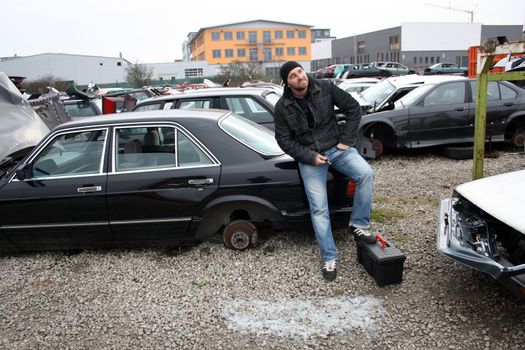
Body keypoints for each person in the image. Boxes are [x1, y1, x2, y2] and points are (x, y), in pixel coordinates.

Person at [274, 61, 376, 281]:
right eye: (293, 75)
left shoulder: (326, 88)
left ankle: (359, 224)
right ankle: (329, 257)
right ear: (287, 82)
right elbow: (283, 140)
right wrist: (310, 156)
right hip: (310, 159)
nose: (300, 76)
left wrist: (348, 140)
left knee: (366, 174)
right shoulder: (282, 107)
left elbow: (353, 108)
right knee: (319, 209)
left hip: (337, 149)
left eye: (300, 71)